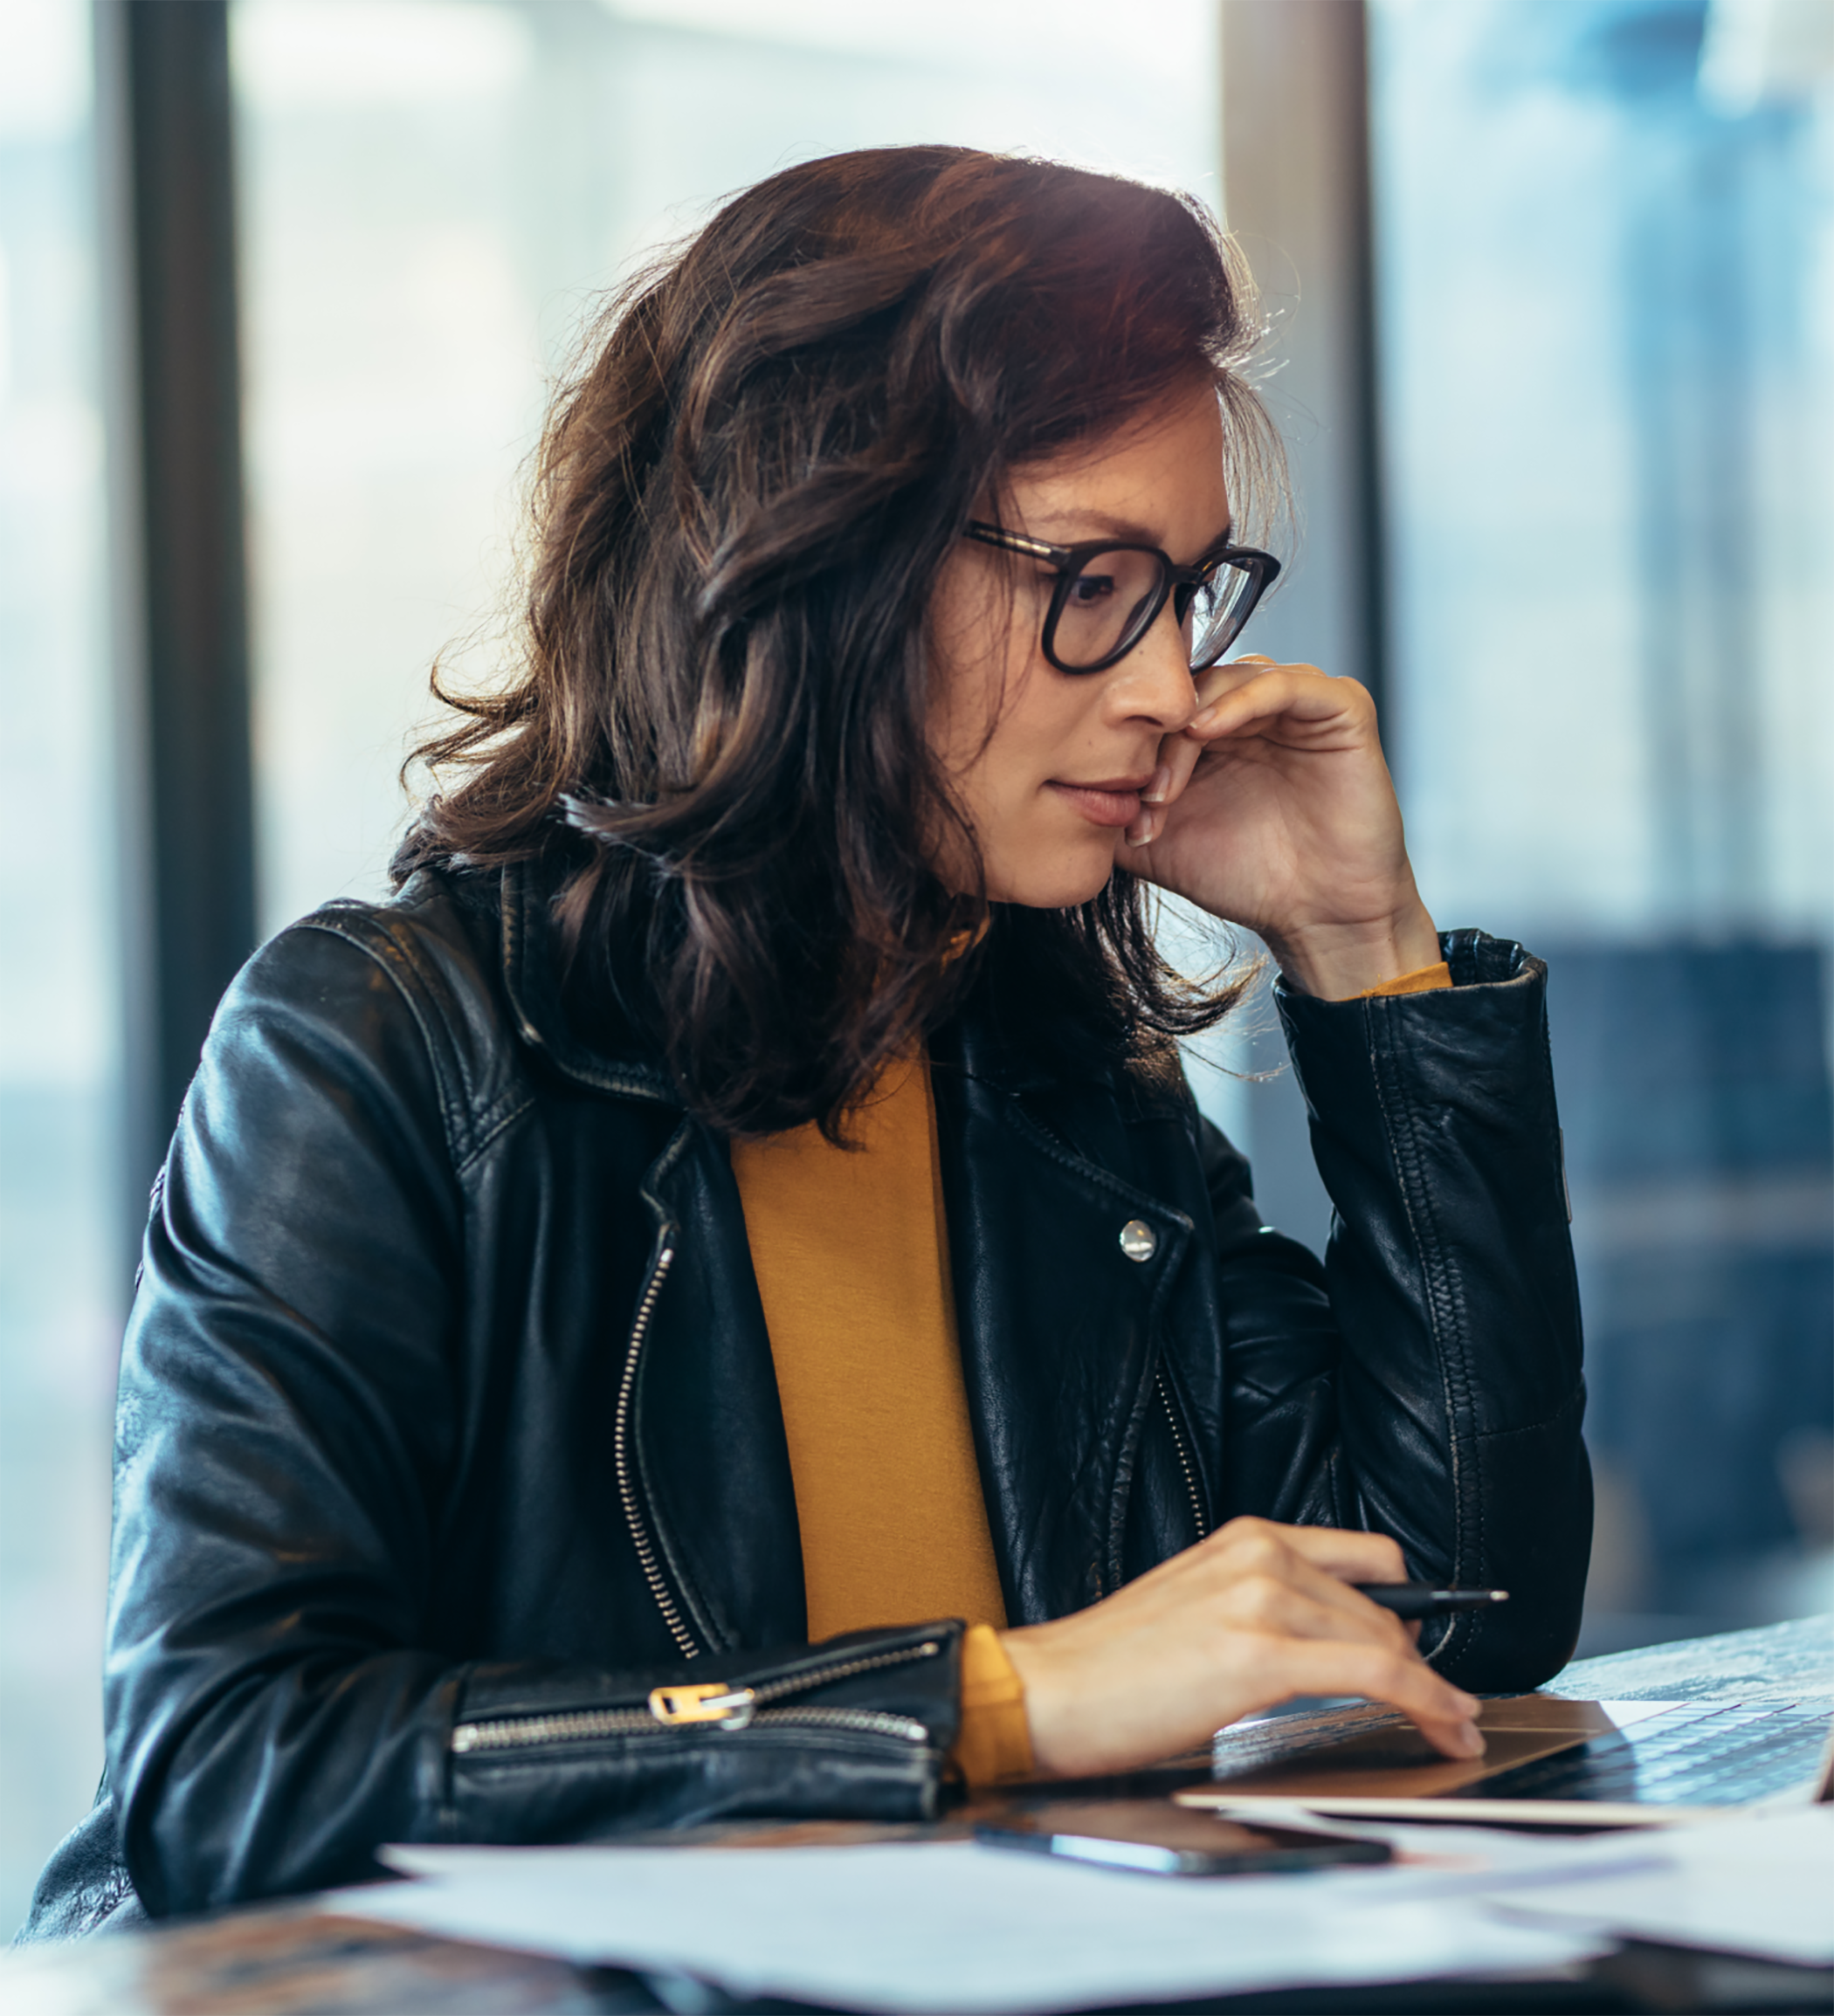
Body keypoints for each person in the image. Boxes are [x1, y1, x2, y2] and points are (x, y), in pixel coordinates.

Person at [22, 146, 1589, 1939]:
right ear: (824, 559)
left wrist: (1364, 952)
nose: (1167, 686)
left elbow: (1459, 1602)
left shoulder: (1063, 1076)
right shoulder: (378, 1047)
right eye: (1091, 580)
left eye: (1186, 591)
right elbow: (237, 1764)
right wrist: (995, 1699)